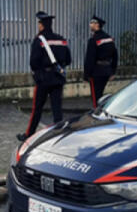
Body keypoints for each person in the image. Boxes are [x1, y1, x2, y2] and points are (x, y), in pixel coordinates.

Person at [17, 11, 72, 141]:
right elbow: (68, 60)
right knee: (57, 108)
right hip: (57, 78)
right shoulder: (61, 40)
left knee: (37, 109)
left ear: (41, 25)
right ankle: (59, 134)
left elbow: (33, 62)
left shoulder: (39, 40)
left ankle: (29, 134)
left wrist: (38, 76)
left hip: (43, 79)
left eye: (39, 24)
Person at [84, 15, 118, 108]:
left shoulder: (93, 40)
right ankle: (101, 110)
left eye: (92, 23)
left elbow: (90, 59)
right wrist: (113, 71)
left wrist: (86, 75)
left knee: (96, 97)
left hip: (96, 72)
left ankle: (97, 112)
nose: (90, 25)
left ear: (97, 25)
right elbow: (115, 55)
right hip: (106, 70)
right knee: (100, 94)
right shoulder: (109, 39)